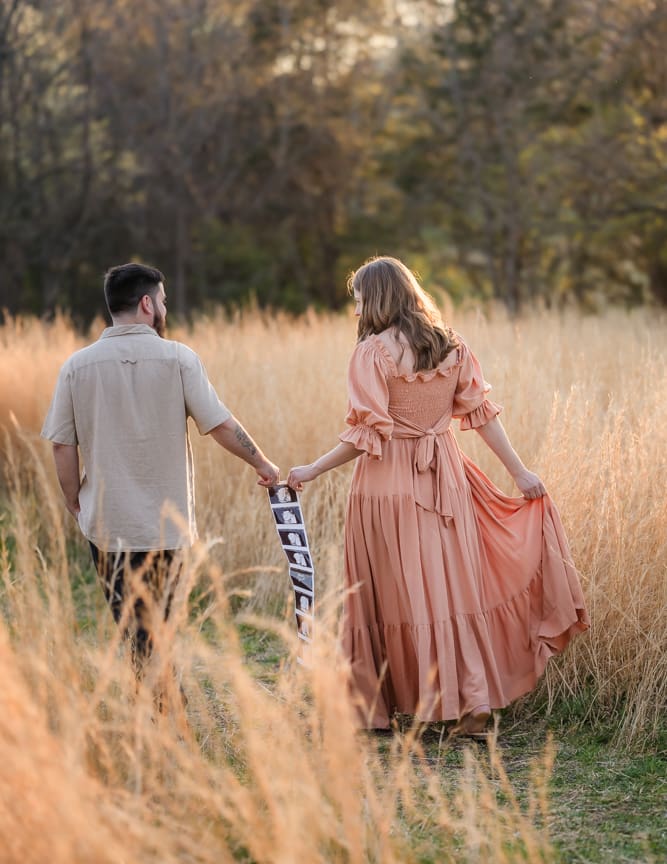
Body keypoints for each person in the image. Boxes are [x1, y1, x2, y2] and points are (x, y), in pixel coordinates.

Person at [288, 256, 589, 736]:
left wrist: (313, 469)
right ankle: (471, 706)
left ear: (380, 298)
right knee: (450, 587)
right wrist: (520, 472)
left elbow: (366, 434)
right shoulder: (452, 345)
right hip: (446, 476)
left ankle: (377, 706)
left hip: (386, 486)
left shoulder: (372, 353)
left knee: (390, 593)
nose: (357, 310)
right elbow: (483, 415)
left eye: (360, 299)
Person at [42, 263, 279, 698]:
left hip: (107, 524)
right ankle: (165, 706)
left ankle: (159, 706)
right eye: (164, 300)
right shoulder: (179, 358)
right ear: (148, 304)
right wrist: (263, 464)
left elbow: (61, 445)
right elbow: (221, 424)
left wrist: (75, 500)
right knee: (162, 620)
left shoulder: (76, 367)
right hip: (167, 525)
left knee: (131, 623)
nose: (165, 307)